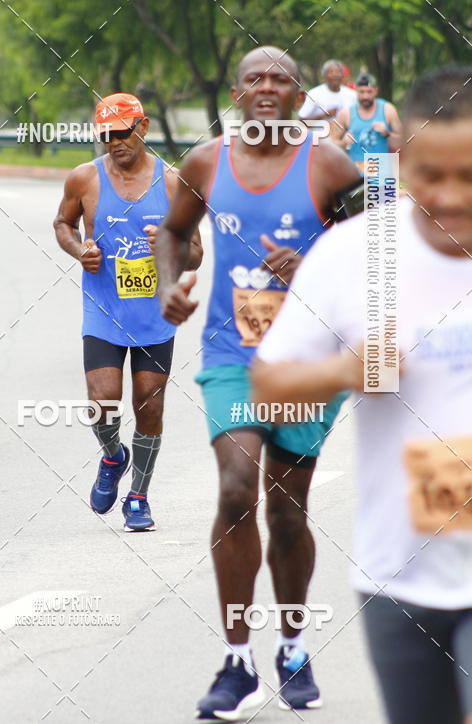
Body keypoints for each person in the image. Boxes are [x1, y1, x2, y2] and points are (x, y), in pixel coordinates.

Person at [252, 65, 472, 724]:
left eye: (470, 176)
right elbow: (268, 388)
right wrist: (345, 371)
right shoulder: (354, 255)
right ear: (400, 161)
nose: (452, 197)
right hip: (398, 578)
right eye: (431, 175)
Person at [155, 46, 361, 719]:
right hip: (230, 354)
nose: (267, 87)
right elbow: (175, 233)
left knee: (287, 511)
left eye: (280, 79)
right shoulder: (205, 162)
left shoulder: (329, 166)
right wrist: (170, 285)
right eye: (255, 79)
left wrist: (312, 261)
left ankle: (294, 644)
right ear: (238, 95)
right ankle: (237, 658)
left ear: (300, 96)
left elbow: (375, 256)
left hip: (308, 360)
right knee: (238, 486)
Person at [54, 92, 202, 532]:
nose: (114, 142)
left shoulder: (174, 183)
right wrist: (80, 249)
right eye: (105, 135)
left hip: (155, 314)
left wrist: (170, 247)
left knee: (150, 406)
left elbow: (196, 254)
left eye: (122, 132)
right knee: (102, 402)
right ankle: (113, 456)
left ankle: (138, 495)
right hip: (103, 307)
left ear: (144, 127)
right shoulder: (84, 179)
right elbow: (62, 223)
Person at [332, 73, 401, 171]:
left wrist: (387, 134)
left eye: (369, 92)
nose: (365, 96)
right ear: (356, 91)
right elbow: (331, 143)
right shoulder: (346, 114)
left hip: (382, 172)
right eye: (362, 92)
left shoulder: (388, 110)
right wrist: (344, 142)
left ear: (376, 91)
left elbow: (403, 141)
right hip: (357, 173)